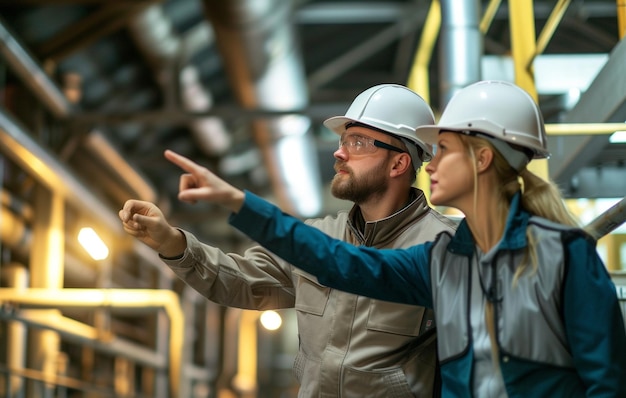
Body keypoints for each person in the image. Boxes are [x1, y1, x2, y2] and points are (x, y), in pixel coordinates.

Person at [144, 80, 626, 397]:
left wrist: (239, 203)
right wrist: (190, 232)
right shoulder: (441, 260)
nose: (431, 164)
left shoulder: (539, 254)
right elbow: (338, 264)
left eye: (356, 142)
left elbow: (601, 377)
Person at [119, 84, 458, 397]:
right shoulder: (319, 236)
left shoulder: (445, 245)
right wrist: (173, 244)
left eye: (357, 142)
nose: (339, 153)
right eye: (343, 141)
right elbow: (240, 280)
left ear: (398, 162)